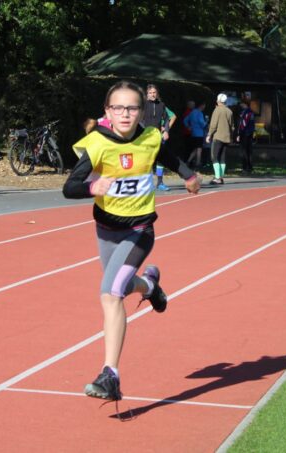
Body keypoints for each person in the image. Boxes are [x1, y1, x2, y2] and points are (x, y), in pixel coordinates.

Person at [62, 80, 201, 402]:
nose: (125, 114)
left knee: (111, 294)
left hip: (140, 231)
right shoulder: (96, 143)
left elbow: (169, 156)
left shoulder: (150, 138)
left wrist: (189, 176)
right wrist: (92, 188)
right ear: (107, 111)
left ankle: (110, 375)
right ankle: (150, 286)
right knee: (121, 288)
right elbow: (69, 187)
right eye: (118, 108)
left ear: (141, 111)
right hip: (106, 231)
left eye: (132, 108)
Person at [141, 84, 172, 191]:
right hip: (145, 136)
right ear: (147, 94)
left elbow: (167, 119)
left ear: (157, 93)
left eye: (154, 92)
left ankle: (160, 182)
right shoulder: (143, 105)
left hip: (158, 135)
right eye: (150, 93)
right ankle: (145, 183)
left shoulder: (161, 105)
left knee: (160, 159)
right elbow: (138, 119)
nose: (152, 95)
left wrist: (166, 131)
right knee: (146, 160)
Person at [207, 93, 234, 184]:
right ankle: (221, 177)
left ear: (218, 101)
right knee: (222, 158)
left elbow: (213, 124)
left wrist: (209, 134)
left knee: (214, 157)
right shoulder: (229, 111)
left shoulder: (217, 110)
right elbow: (232, 126)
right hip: (227, 137)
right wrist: (231, 136)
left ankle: (217, 177)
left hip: (218, 137)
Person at [184, 100, 207, 169]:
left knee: (195, 149)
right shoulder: (200, 113)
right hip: (199, 133)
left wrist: (188, 127)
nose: (204, 107)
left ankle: (188, 161)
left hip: (193, 132)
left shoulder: (192, 112)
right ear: (202, 105)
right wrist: (206, 124)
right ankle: (198, 163)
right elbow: (201, 122)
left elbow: (185, 120)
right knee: (199, 149)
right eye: (204, 105)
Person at [236, 100, 255, 174]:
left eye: (242, 104)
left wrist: (239, 133)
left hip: (245, 133)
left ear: (245, 104)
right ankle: (249, 167)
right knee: (249, 151)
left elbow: (243, 124)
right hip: (249, 132)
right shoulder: (250, 112)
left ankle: (245, 167)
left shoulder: (246, 112)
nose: (241, 105)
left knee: (244, 151)